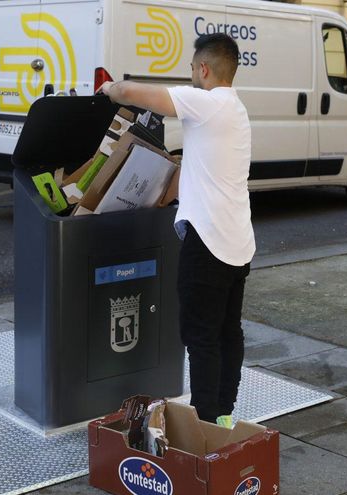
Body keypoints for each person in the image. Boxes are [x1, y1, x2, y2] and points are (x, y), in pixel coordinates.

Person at [101, 33, 255, 424]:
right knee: (226, 332)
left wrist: (109, 89)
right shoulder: (236, 110)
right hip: (237, 242)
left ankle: (206, 421)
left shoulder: (206, 103)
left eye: (191, 68)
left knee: (201, 336)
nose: (190, 75)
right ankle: (223, 415)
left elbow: (139, 93)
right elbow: (203, 167)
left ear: (204, 69)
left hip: (208, 242)